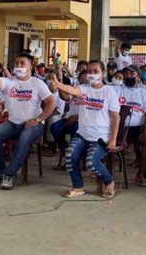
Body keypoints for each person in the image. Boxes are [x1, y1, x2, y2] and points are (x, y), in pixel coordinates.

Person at [0, 53, 56, 190]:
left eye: (22, 63)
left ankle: (9, 174)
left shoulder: (37, 83)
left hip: (33, 125)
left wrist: (38, 119)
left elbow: (51, 103)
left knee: (24, 138)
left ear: (30, 66)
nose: (18, 66)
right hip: (13, 123)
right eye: (16, 63)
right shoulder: (10, 82)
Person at [49, 60, 120, 198]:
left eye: (96, 71)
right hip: (82, 134)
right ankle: (78, 187)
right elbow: (72, 91)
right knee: (70, 155)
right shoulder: (84, 88)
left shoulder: (109, 91)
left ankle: (110, 182)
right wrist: (59, 85)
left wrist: (113, 140)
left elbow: (116, 118)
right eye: (90, 71)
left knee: (91, 162)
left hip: (101, 137)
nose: (92, 74)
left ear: (103, 73)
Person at [118, 57, 146, 187]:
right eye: (126, 73)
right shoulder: (117, 90)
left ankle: (140, 174)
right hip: (119, 128)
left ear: (138, 76)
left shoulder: (144, 93)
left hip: (137, 127)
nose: (128, 76)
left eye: (132, 73)